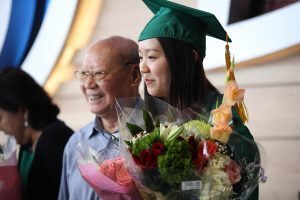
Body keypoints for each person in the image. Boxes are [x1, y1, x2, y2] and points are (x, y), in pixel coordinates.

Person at [137, 0, 259, 199]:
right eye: (140, 57)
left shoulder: (223, 121)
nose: (143, 67)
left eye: (151, 57)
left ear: (190, 58)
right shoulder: (151, 122)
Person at [58, 36, 141, 200]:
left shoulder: (162, 134)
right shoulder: (76, 143)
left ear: (134, 75)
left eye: (98, 74)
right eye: (84, 74)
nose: (88, 84)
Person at [0, 67, 73, 200]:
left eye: (0, 118)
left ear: (23, 111)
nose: (0, 127)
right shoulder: (27, 143)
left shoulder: (55, 139)